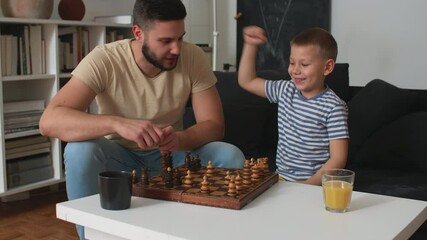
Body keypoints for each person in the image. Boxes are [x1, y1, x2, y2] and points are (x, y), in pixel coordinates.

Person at [39, 0, 244, 238]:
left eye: (180, 37)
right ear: (138, 33)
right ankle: (91, 235)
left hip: (172, 156)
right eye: (165, 41)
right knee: (80, 150)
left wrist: (181, 138)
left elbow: (214, 126)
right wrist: (115, 123)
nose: (176, 49)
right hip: (119, 159)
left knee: (229, 154)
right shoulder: (105, 58)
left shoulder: (193, 56)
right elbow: (49, 121)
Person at [238, 26, 349, 185]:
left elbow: (338, 158)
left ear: (327, 67)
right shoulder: (285, 90)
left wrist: (308, 186)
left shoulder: (333, 107)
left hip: (315, 185)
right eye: (292, 62)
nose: (295, 70)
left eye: (304, 64)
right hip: (281, 181)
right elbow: (246, 81)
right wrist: (250, 45)